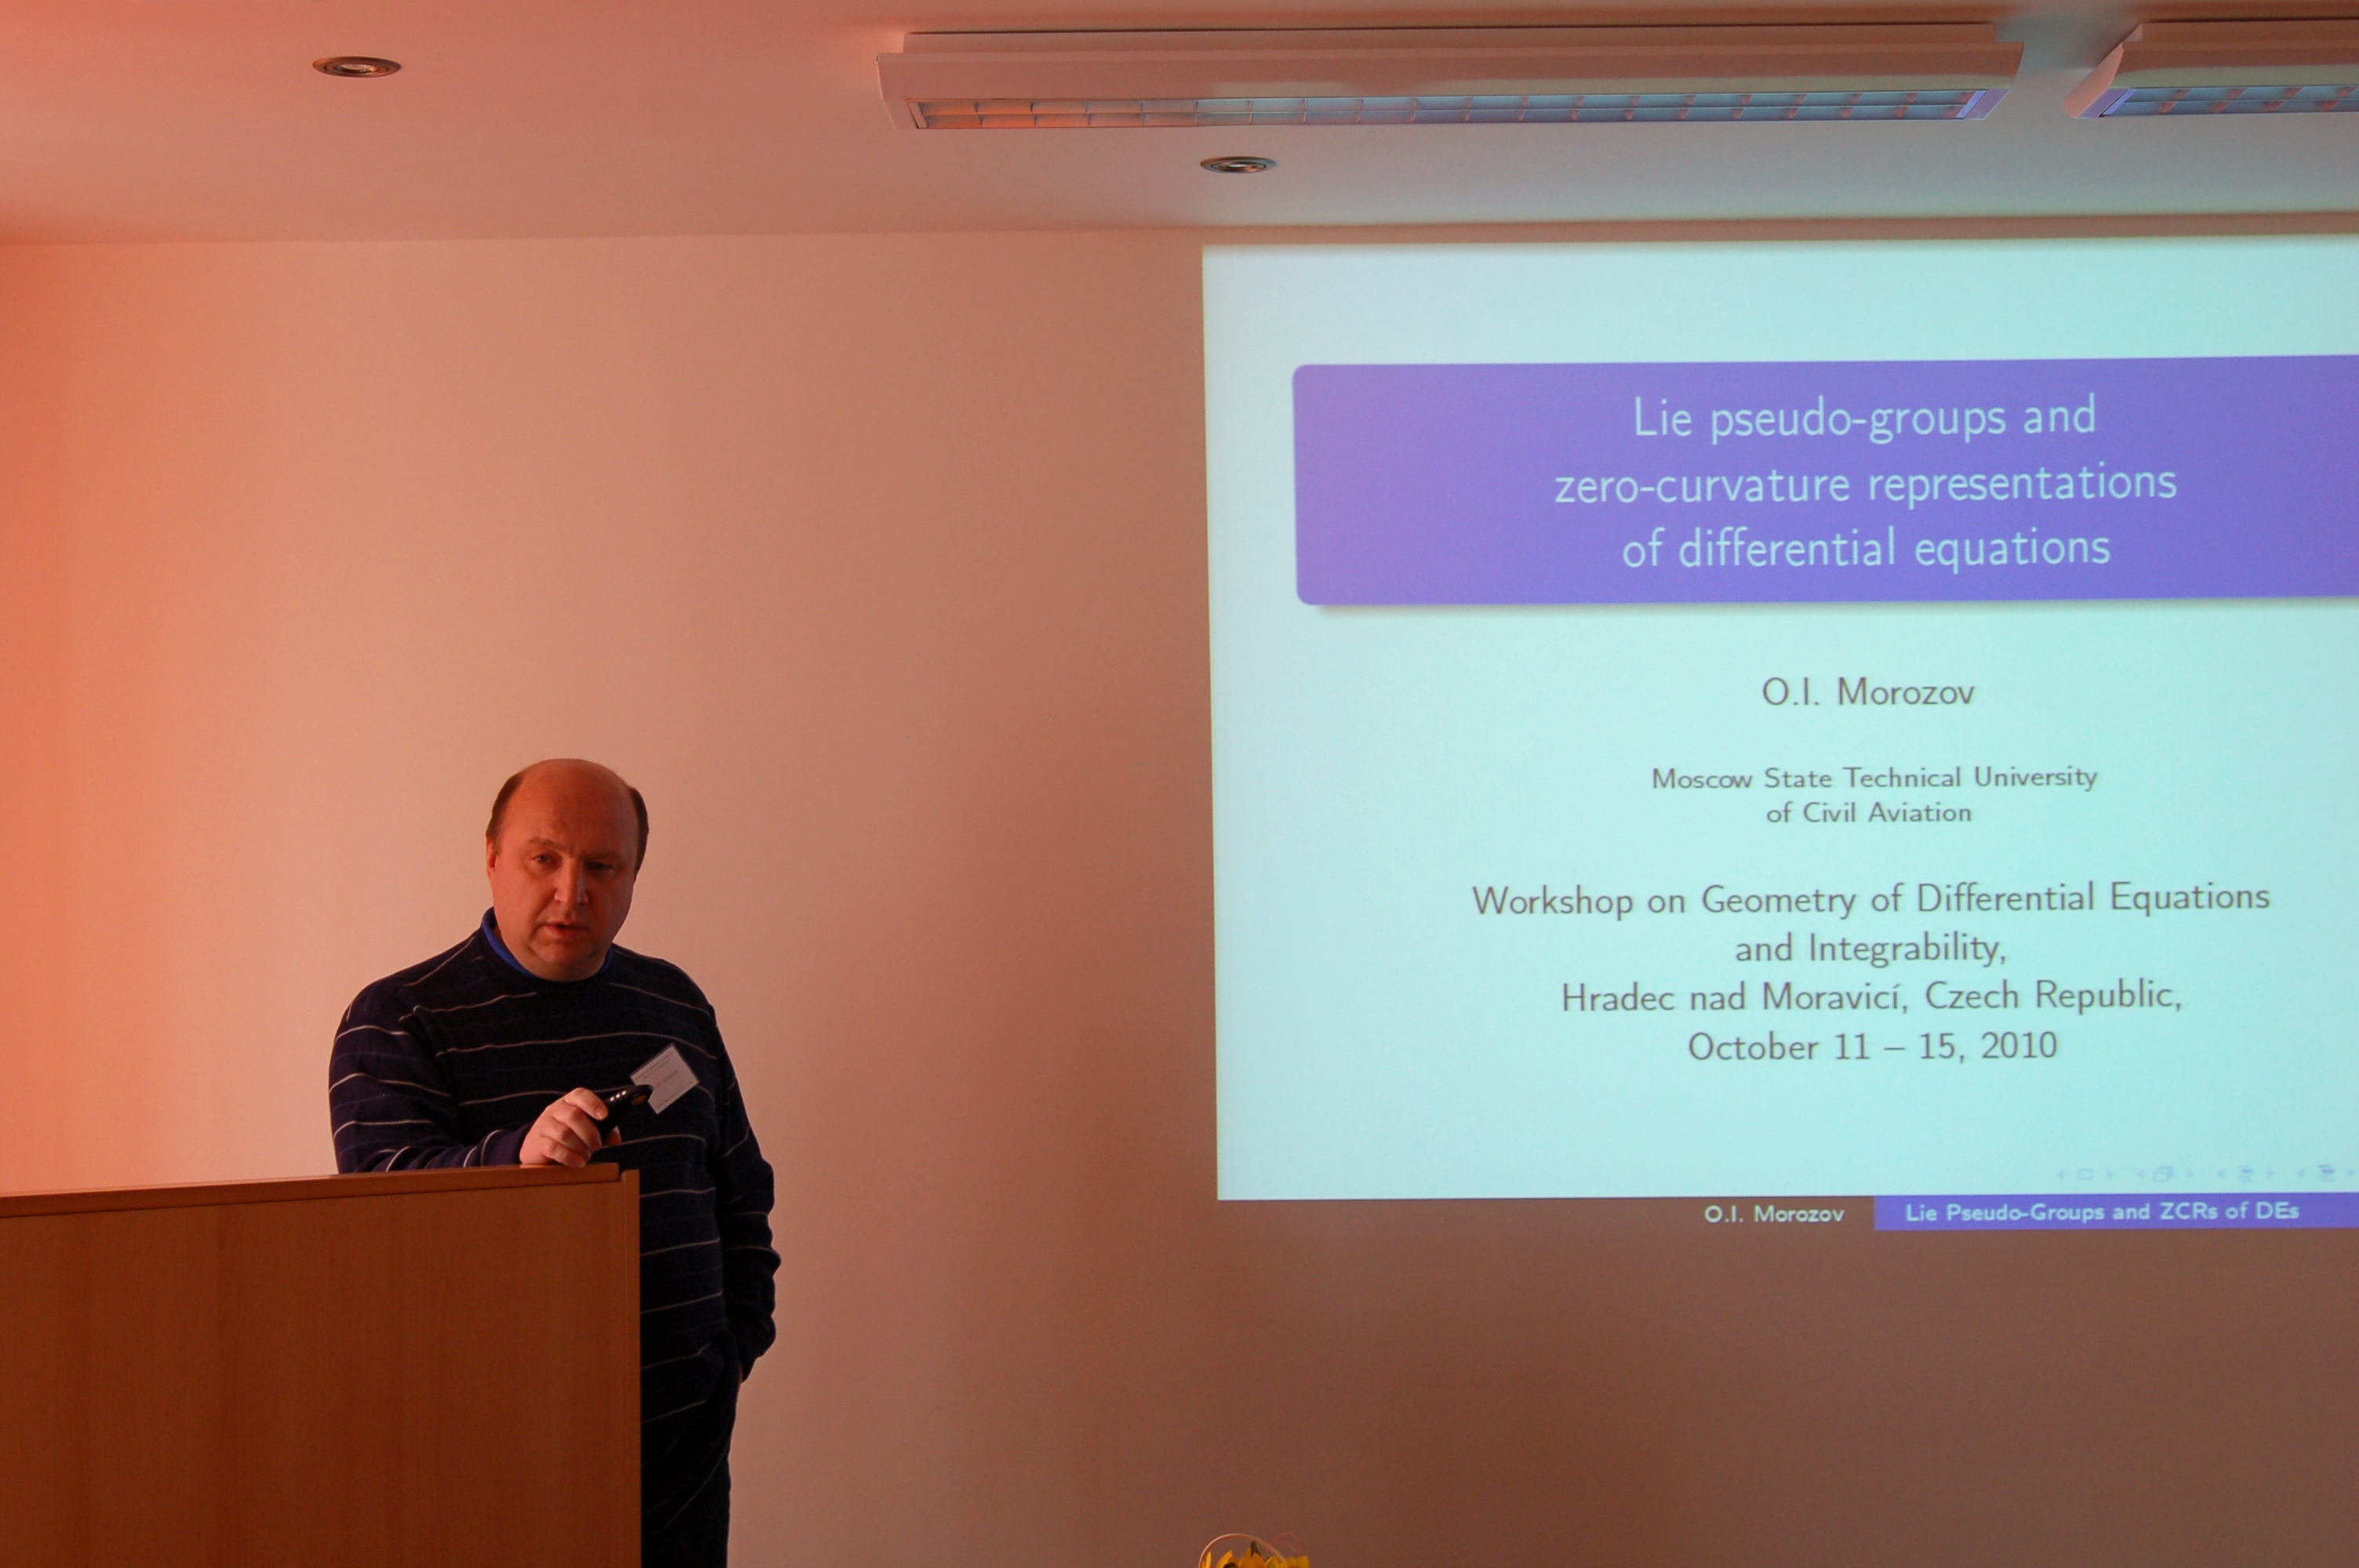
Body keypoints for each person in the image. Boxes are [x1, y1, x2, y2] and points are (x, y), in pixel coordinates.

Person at [329, 759, 776, 1567]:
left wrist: (733, 1346)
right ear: (491, 857)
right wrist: (515, 1157)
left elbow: (740, 1186)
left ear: (634, 875)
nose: (572, 892)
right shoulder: (398, 1018)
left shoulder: (673, 1005)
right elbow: (381, 1204)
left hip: (683, 1464)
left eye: (602, 866)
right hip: (488, 1475)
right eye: (545, 858)